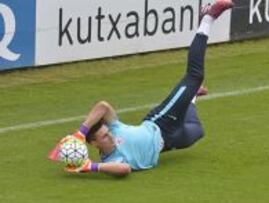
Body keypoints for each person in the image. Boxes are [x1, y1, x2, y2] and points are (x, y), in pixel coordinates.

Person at [49, 0, 234, 176]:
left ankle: (207, 19)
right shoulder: (113, 160)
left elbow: (103, 106)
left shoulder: (115, 127)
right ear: (95, 144)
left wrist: (80, 132)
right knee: (198, 130)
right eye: (104, 137)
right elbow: (124, 170)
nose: (110, 137)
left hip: (161, 123)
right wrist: (90, 166)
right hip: (168, 142)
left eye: (107, 133)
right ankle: (191, 95)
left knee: (194, 76)